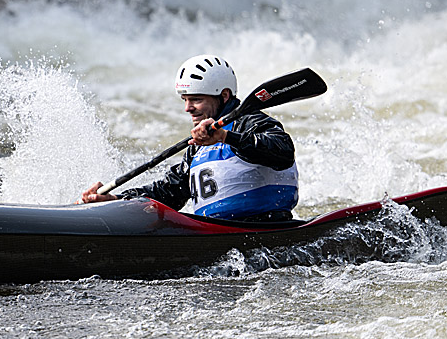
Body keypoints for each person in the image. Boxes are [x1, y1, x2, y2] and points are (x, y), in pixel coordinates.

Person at [79, 54, 299, 222]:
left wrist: (225, 137)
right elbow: (169, 192)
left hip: (265, 228)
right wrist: (117, 201)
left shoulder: (250, 122)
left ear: (224, 96)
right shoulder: (199, 145)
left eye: (196, 99)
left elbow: (282, 151)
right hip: (220, 232)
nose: (187, 108)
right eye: (185, 99)